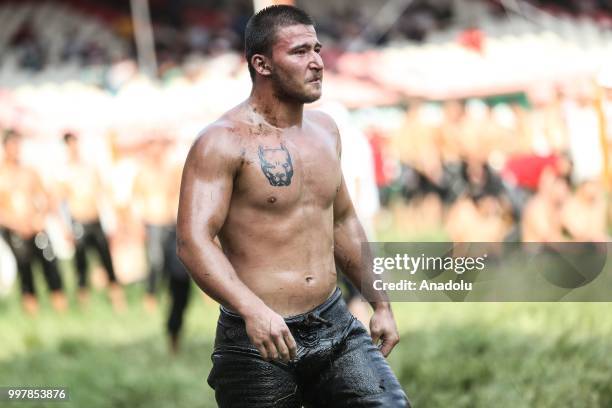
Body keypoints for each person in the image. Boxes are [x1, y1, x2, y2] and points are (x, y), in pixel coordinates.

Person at [176, 5, 409, 407]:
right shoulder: (221, 141)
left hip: (335, 324)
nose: (317, 62)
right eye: (300, 52)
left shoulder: (326, 131)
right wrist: (252, 311)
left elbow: (343, 220)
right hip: (258, 339)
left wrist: (380, 303)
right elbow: (193, 240)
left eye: (317, 49)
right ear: (261, 64)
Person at [133, 137, 192, 352]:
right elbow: (136, 200)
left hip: (174, 227)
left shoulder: (174, 170)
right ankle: (151, 296)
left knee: (181, 280)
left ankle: (174, 330)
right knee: (156, 264)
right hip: (154, 226)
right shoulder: (143, 174)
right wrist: (140, 226)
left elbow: (186, 196)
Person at [0, 129, 67, 314]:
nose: (15, 149)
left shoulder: (29, 172)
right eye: (12, 145)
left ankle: (61, 308)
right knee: (25, 270)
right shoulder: (2, 175)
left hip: (36, 227)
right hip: (15, 230)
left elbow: (46, 197)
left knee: (50, 264)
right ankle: (31, 312)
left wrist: (40, 217)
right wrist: (16, 224)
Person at [60, 132, 125, 310]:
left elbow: (102, 196)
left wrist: (111, 221)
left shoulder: (90, 169)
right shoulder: (64, 172)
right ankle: (83, 305)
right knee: (81, 267)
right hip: (78, 222)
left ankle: (118, 302)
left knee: (107, 262)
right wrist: (66, 227)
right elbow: (62, 203)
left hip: (95, 221)